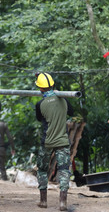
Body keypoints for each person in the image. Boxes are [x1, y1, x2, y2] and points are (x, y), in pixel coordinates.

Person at [34, 72, 72, 211]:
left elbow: (39, 119)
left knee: (42, 170)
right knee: (63, 171)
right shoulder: (64, 100)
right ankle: (63, 202)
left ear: (41, 89)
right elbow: (71, 112)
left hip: (47, 141)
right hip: (63, 141)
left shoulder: (40, 104)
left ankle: (43, 201)